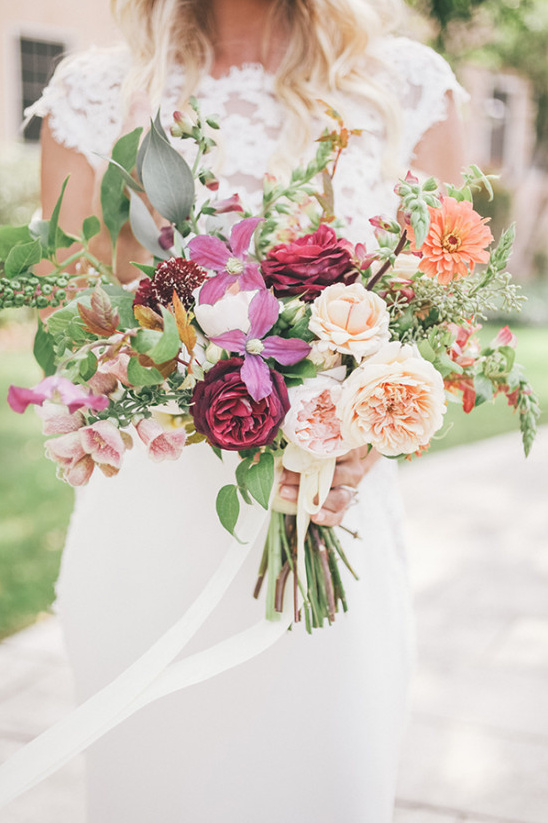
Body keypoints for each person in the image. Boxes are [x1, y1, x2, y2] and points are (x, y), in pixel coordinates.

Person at [28, 0, 465, 820]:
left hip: (331, 508)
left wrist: (368, 424)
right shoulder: (98, 95)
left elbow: (441, 315)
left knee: (325, 774)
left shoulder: (404, 86)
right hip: (151, 521)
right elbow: (78, 309)